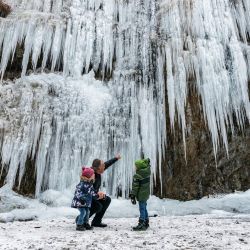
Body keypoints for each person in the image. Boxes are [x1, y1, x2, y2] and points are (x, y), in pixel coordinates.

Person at [89, 154, 121, 227]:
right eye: (103, 165)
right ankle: (81, 219)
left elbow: (107, 163)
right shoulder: (91, 174)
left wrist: (116, 158)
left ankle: (96, 221)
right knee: (98, 206)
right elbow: (87, 189)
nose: (104, 166)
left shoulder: (98, 170)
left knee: (107, 200)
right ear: (98, 167)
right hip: (87, 197)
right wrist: (97, 194)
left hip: (94, 195)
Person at [129, 158, 151, 231]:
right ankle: (146, 222)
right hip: (146, 194)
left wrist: (132, 195)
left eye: (136, 166)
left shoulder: (138, 175)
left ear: (139, 167)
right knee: (144, 207)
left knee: (142, 208)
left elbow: (135, 187)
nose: (135, 167)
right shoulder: (147, 173)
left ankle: (141, 223)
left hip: (141, 195)